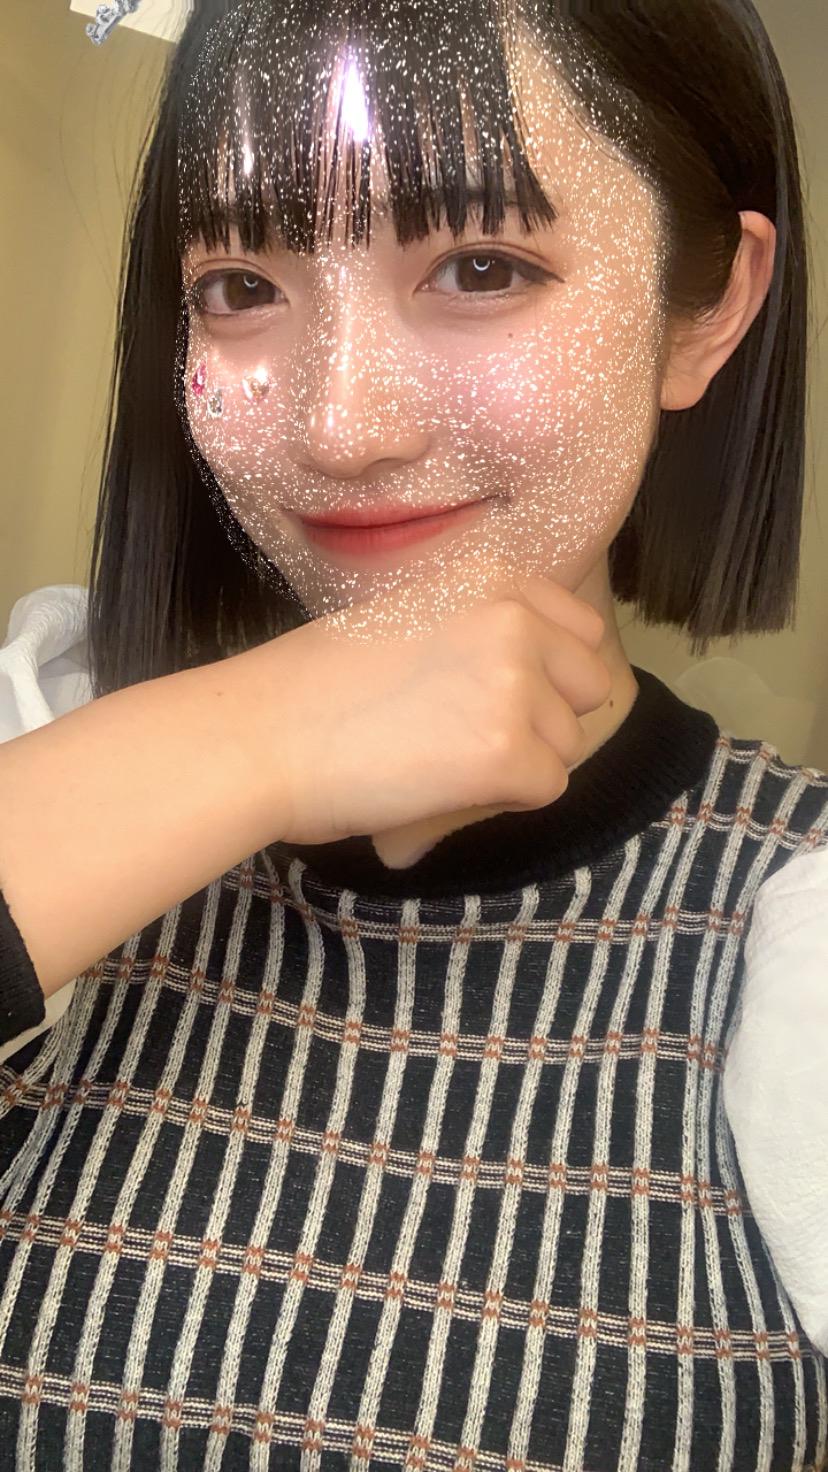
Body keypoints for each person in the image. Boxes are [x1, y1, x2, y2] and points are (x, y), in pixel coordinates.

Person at [0, 0, 826, 1465]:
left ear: (705, 310)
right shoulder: (51, 733)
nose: (341, 425)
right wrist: (248, 741)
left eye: (481, 267)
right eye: (240, 284)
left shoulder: (797, 920)